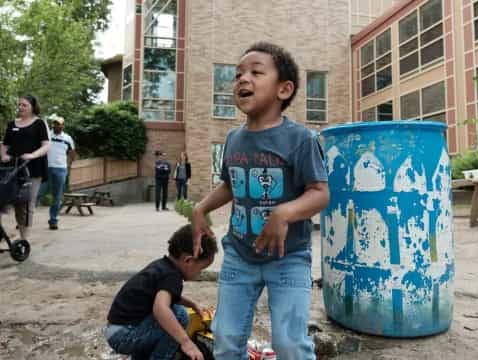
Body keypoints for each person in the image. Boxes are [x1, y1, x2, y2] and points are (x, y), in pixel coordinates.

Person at [192, 42, 330, 359]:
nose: (243, 79)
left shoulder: (301, 139)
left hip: (289, 258)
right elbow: (231, 184)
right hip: (240, 255)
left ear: (283, 89)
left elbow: (320, 192)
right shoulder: (233, 138)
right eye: (238, 73)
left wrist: (285, 213)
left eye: (256, 72)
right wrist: (201, 208)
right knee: (225, 340)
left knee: (289, 344)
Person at [104, 224, 218, 360]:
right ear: (188, 260)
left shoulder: (162, 266)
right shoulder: (172, 276)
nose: (200, 274)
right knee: (179, 315)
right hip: (124, 335)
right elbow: (160, 308)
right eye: (201, 269)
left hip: (117, 330)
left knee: (175, 312)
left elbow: (168, 296)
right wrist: (186, 342)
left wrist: (192, 304)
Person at [0, 95, 50, 241]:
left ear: (32, 107)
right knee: (5, 200)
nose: (20, 107)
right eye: (19, 105)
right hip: (12, 168)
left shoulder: (39, 123)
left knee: (26, 204)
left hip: (32, 169)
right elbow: (5, 144)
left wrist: (33, 155)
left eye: (24, 105)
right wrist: (3, 155)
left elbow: (46, 145)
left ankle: (24, 239)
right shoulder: (12, 124)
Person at [37, 116, 75, 230]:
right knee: (37, 194)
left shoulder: (68, 138)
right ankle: (24, 220)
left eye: (58, 124)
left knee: (57, 197)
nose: (56, 126)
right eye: (54, 124)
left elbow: (72, 153)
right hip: (46, 169)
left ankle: (53, 221)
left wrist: (67, 166)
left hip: (61, 169)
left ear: (63, 125)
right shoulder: (47, 135)